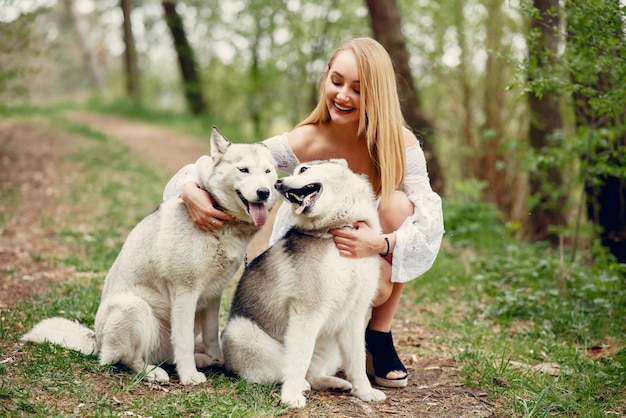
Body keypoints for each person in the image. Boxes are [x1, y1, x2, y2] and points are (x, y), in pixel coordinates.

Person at [163, 37, 444, 388]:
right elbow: (238, 159)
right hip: (310, 258)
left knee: (397, 204)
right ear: (325, 77)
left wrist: (381, 243)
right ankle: (309, 348)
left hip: (368, 250)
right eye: (336, 81)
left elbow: (429, 216)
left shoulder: (397, 143)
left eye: (358, 89)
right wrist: (190, 187)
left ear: (378, 93)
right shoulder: (305, 139)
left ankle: (378, 336)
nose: (343, 96)